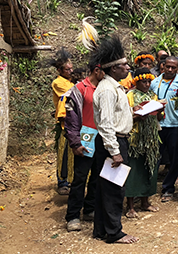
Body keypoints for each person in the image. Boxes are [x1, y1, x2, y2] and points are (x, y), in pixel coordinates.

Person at [90, 36, 138, 244]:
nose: (128, 67)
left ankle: (101, 229)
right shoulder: (108, 90)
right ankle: (114, 232)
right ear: (114, 69)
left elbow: (114, 118)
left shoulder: (113, 87)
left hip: (115, 141)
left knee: (105, 188)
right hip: (113, 143)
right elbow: (106, 124)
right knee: (114, 189)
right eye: (123, 65)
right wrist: (115, 150)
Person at [64, 62, 104, 232]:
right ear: (97, 71)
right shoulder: (79, 89)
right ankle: (73, 216)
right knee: (80, 178)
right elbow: (71, 118)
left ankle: (89, 209)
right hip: (85, 139)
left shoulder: (105, 88)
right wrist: (75, 142)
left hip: (101, 140)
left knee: (97, 176)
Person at [125, 68, 160, 218]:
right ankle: (130, 206)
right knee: (134, 171)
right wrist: (137, 116)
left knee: (149, 168)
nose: (146, 84)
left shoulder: (152, 95)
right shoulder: (129, 95)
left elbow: (158, 115)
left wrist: (159, 110)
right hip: (135, 139)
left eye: (148, 82)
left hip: (151, 138)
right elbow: (125, 117)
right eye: (143, 81)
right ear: (136, 81)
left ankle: (145, 201)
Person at [150, 56, 178, 202]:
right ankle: (149, 188)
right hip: (157, 125)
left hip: (175, 125)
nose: (170, 70)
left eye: (174, 68)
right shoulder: (154, 82)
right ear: (162, 66)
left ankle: (168, 188)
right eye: (168, 66)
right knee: (154, 157)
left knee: (174, 158)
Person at [51, 48, 75, 195]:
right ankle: (62, 181)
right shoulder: (58, 83)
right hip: (65, 123)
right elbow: (74, 92)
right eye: (67, 69)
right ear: (60, 70)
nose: (71, 71)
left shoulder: (69, 81)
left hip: (74, 121)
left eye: (72, 68)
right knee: (63, 152)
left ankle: (70, 179)